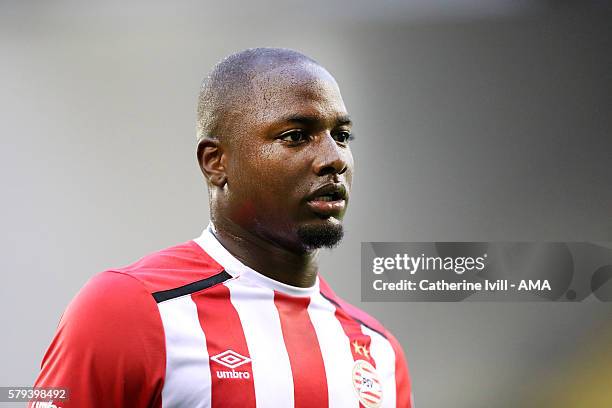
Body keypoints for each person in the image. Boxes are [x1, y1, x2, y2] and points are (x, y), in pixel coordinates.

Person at [30, 48, 413, 408]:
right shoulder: (131, 310)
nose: (334, 159)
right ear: (216, 162)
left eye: (341, 136)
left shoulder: (377, 350)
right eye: (295, 136)